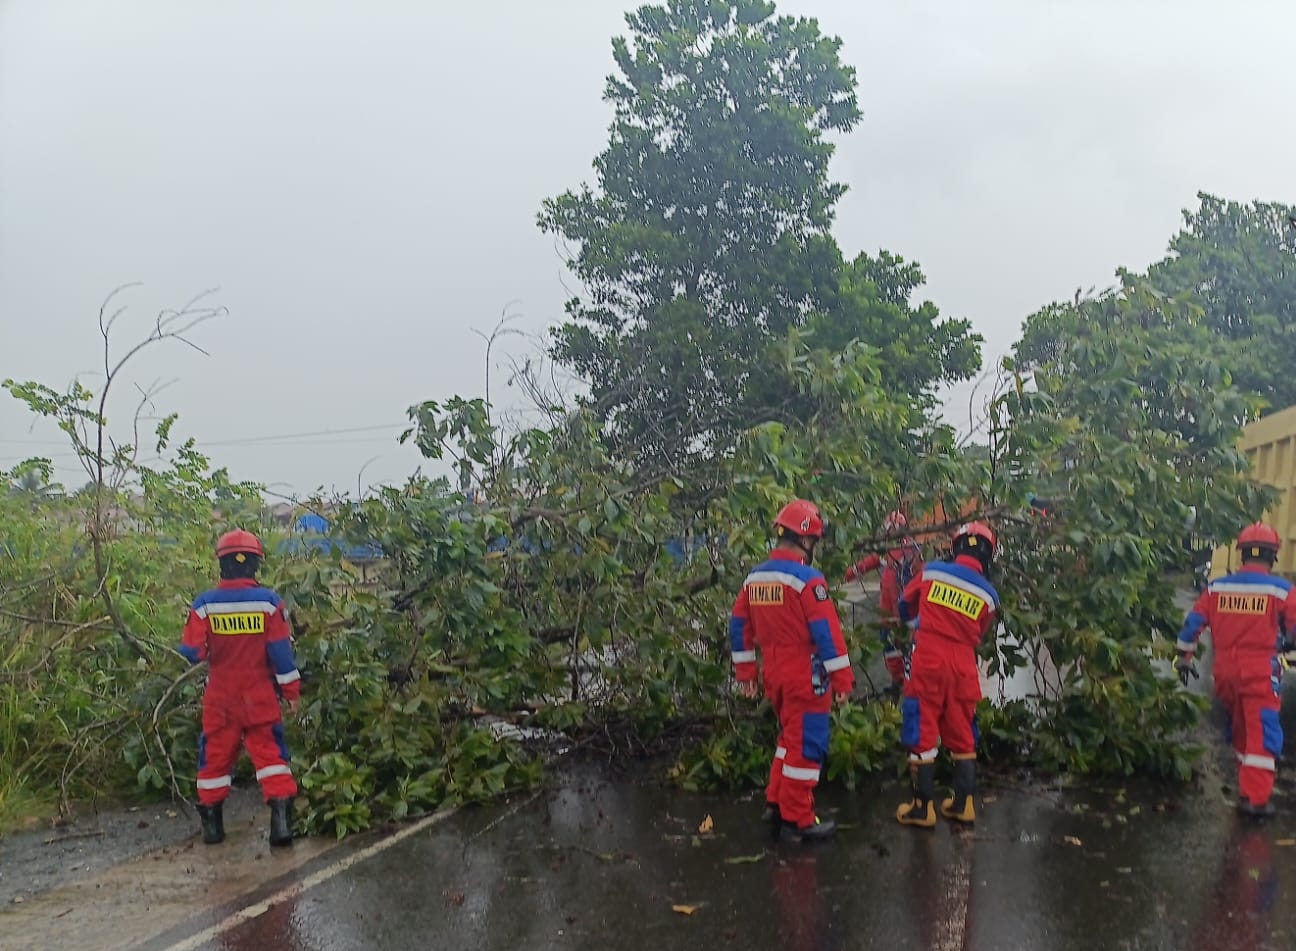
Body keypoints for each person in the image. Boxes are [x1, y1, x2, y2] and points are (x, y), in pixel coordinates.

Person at [730, 499, 854, 842]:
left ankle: (775, 804)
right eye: (814, 540)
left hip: (774, 674)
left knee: (788, 740)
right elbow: (827, 635)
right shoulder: (808, 580)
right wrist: (843, 679)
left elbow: (738, 627)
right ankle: (798, 820)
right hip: (805, 676)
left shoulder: (754, 578)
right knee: (808, 746)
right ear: (804, 539)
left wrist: (746, 675)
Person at [178, 529, 301, 846]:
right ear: (255, 565)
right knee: (271, 758)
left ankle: (213, 829)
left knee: (214, 760)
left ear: (222, 564)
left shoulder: (204, 604)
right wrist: (291, 693)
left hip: (220, 699)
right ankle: (282, 826)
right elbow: (281, 655)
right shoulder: (270, 603)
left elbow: (192, 652)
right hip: (260, 696)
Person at [1174, 521, 1296, 818]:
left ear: (1241, 554)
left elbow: (1192, 626)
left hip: (1225, 673)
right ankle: (1255, 800)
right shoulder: (1282, 591)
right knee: (1262, 734)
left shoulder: (1217, 588)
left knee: (1241, 728)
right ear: (1272, 556)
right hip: (1260, 674)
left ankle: (1246, 786)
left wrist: (1183, 658)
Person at [895, 521, 999, 828]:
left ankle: (922, 808)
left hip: (929, 657)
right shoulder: (989, 594)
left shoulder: (932, 571)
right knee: (962, 733)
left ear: (955, 547)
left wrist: (915, 622)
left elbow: (904, 604)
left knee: (922, 729)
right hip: (963, 665)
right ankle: (963, 806)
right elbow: (980, 630)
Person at [844, 510, 922, 691]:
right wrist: (849, 573)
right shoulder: (889, 551)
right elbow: (869, 562)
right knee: (891, 648)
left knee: (903, 648)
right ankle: (899, 682)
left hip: (902, 611)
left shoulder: (912, 551)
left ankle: (905, 683)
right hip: (888, 613)